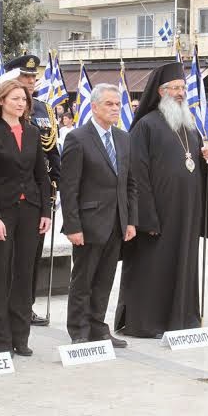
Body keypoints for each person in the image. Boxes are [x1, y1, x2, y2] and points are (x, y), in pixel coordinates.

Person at [114, 62, 208, 338]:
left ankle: (182, 319)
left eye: (183, 88)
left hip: (186, 212)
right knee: (154, 268)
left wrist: (205, 158)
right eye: (175, 88)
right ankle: (148, 323)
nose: (181, 93)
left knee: (184, 266)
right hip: (158, 216)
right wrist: (146, 216)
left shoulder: (189, 126)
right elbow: (136, 175)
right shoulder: (145, 126)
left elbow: (191, 164)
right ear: (161, 92)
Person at [0, 55, 60, 327]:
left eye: (32, 78)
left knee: (28, 262)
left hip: (35, 195)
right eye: (23, 78)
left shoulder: (44, 110)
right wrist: (0, 85)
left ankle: (24, 308)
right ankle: (3, 315)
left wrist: (53, 190)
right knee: (4, 266)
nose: (29, 83)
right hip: (6, 197)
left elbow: (51, 154)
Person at [0, 80, 52, 357]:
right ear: (1, 102)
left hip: (30, 211)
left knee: (24, 275)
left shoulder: (32, 133)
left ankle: (20, 336)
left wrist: (45, 211)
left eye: (24, 99)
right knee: (0, 275)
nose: (20, 103)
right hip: (2, 212)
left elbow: (41, 177)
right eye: (14, 99)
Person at [61, 84, 136, 347]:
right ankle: (79, 330)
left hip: (116, 222)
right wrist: (72, 225)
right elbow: (69, 187)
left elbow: (129, 183)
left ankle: (97, 327)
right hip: (89, 223)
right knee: (83, 280)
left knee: (104, 280)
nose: (115, 108)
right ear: (94, 107)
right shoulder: (77, 138)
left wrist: (130, 220)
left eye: (117, 104)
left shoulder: (124, 138)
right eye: (109, 104)